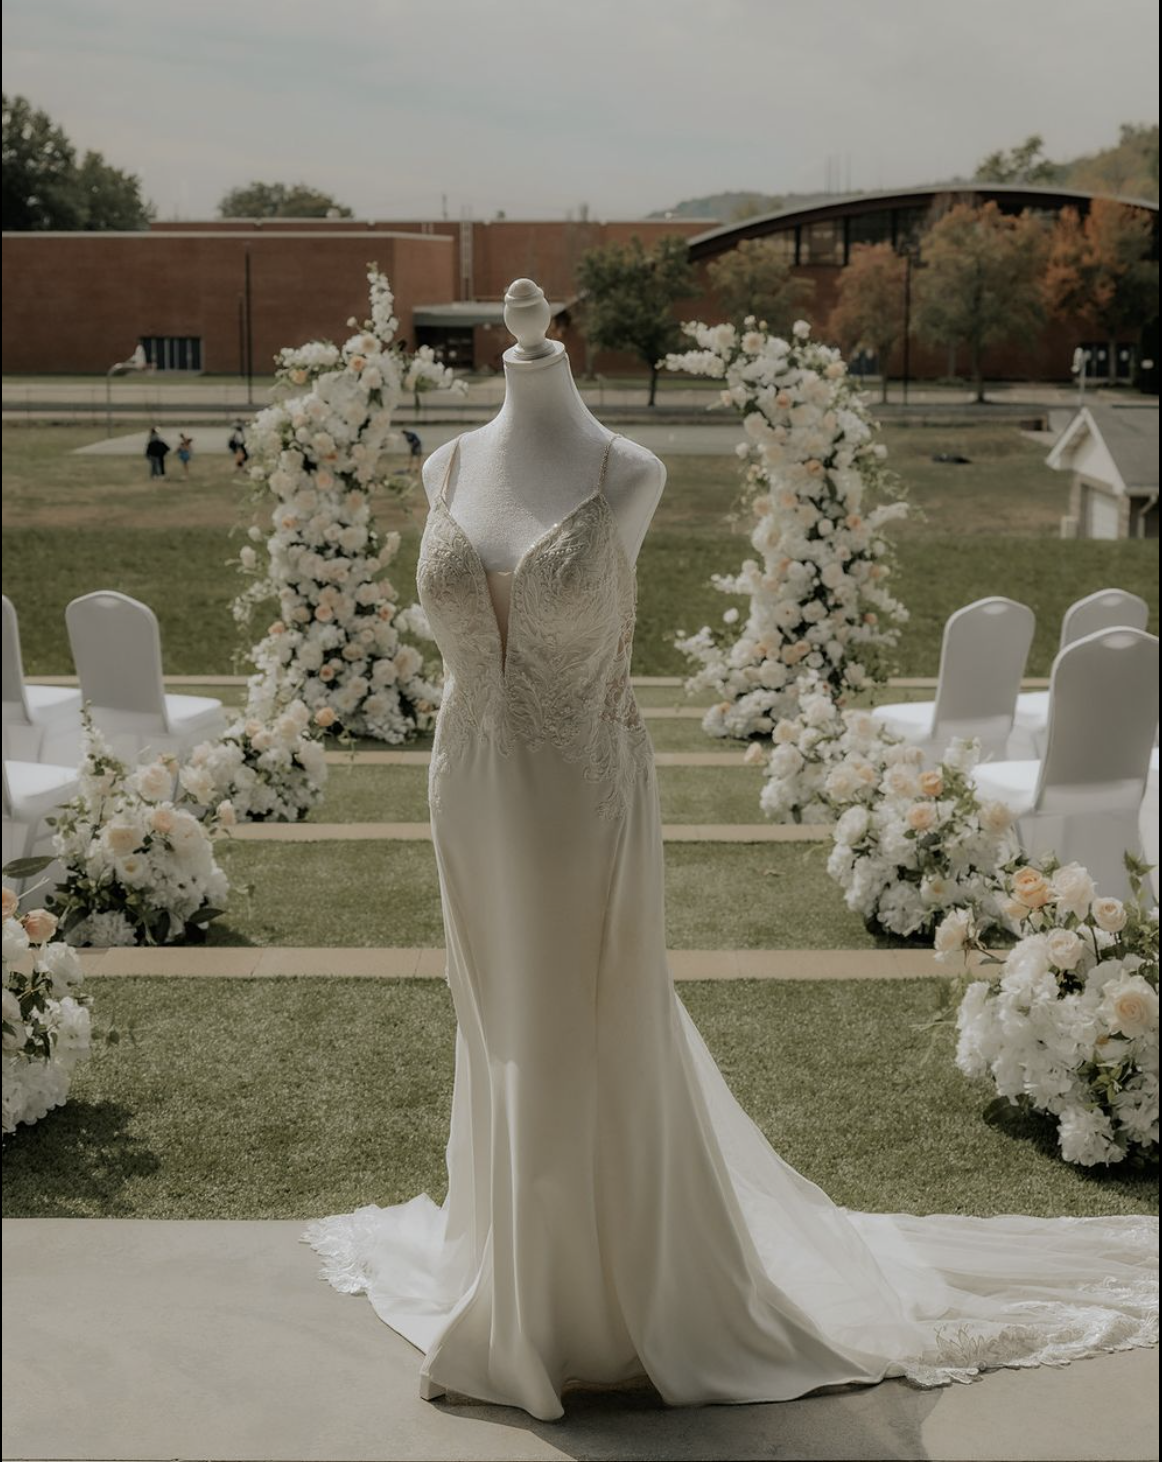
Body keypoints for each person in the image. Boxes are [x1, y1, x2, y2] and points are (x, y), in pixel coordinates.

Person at [303, 280, 1158, 1424]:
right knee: (499, 1019)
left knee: (583, 1021)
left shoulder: (628, 473)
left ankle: (591, 1307)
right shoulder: (445, 468)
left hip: (583, 789)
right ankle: (515, 1283)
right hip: (468, 786)